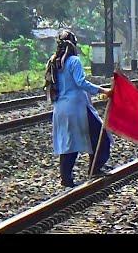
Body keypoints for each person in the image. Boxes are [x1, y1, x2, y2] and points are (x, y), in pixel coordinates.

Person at [44, 29, 113, 187]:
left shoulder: (52, 61)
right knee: (101, 135)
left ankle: (66, 179)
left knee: (68, 143)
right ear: (73, 44)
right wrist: (104, 90)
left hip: (59, 109)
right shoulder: (74, 61)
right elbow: (81, 82)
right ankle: (95, 168)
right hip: (76, 108)